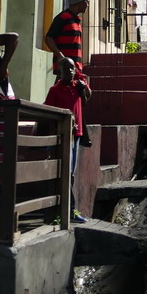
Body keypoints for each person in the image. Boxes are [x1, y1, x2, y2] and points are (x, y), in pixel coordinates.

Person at [44, 57, 92, 223]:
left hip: (76, 135)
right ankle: (65, 210)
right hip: (63, 135)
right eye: (67, 69)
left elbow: (85, 101)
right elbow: (48, 111)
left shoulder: (76, 87)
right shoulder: (55, 90)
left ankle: (69, 209)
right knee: (64, 171)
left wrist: (83, 90)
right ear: (60, 71)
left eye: (73, 69)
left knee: (70, 172)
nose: (71, 72)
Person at [44, 0, 92, 146]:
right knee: (64, 98)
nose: (88, 5)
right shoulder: (63, 18)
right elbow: (49, 38)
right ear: (81, 2)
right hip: (66, 69)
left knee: (82, 95)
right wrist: (61, 57)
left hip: (76, 69)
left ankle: (80, 131)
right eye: (87, 2)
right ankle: (60, 131)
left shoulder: (76, 20)